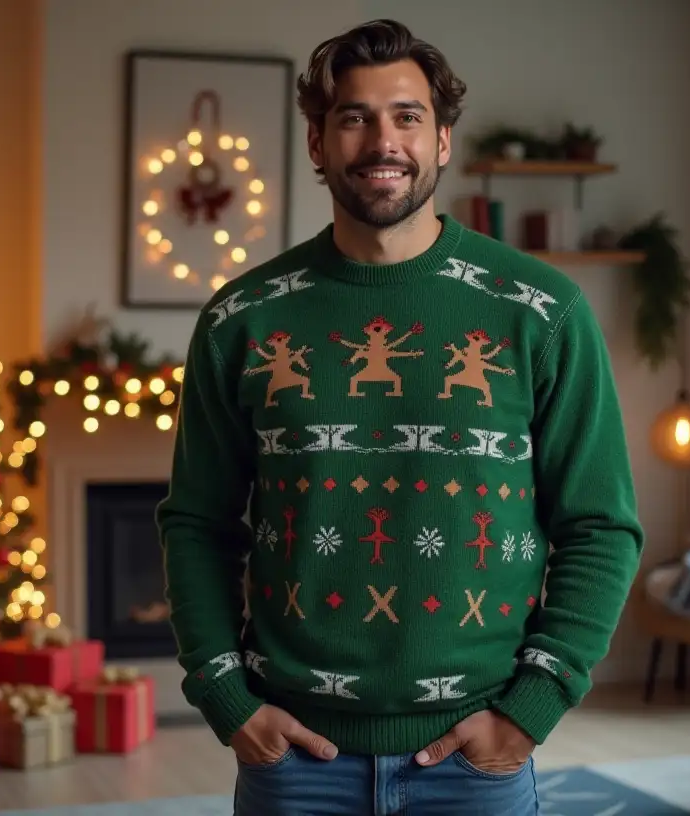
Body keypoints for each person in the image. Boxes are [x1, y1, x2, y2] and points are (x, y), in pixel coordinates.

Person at [156, 18, 644, 815]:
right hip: (295, 762)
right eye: (355, 117)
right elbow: (197, 523)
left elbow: (601, 524)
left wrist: (531, 711)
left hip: (474, 760)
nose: (384, 140)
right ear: (317, 142)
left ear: (443, 139)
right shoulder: (242, 318)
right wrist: (226, 698)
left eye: (408, 116)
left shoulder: (540, 312)